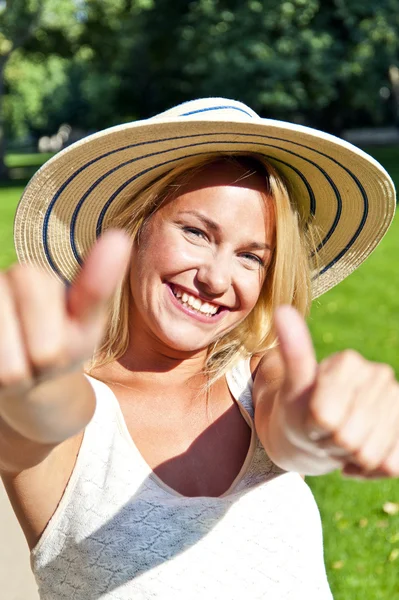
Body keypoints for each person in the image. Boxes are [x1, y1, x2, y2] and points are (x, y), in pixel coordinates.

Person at [1, 97, 398, 599]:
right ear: (134, 229)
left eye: (251, 257)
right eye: (195, 232)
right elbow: (38, 419)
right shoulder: (74, 411)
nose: (215, 278)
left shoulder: (255, 372)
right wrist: (32, 392)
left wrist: (319, 427)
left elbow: (293, 429)